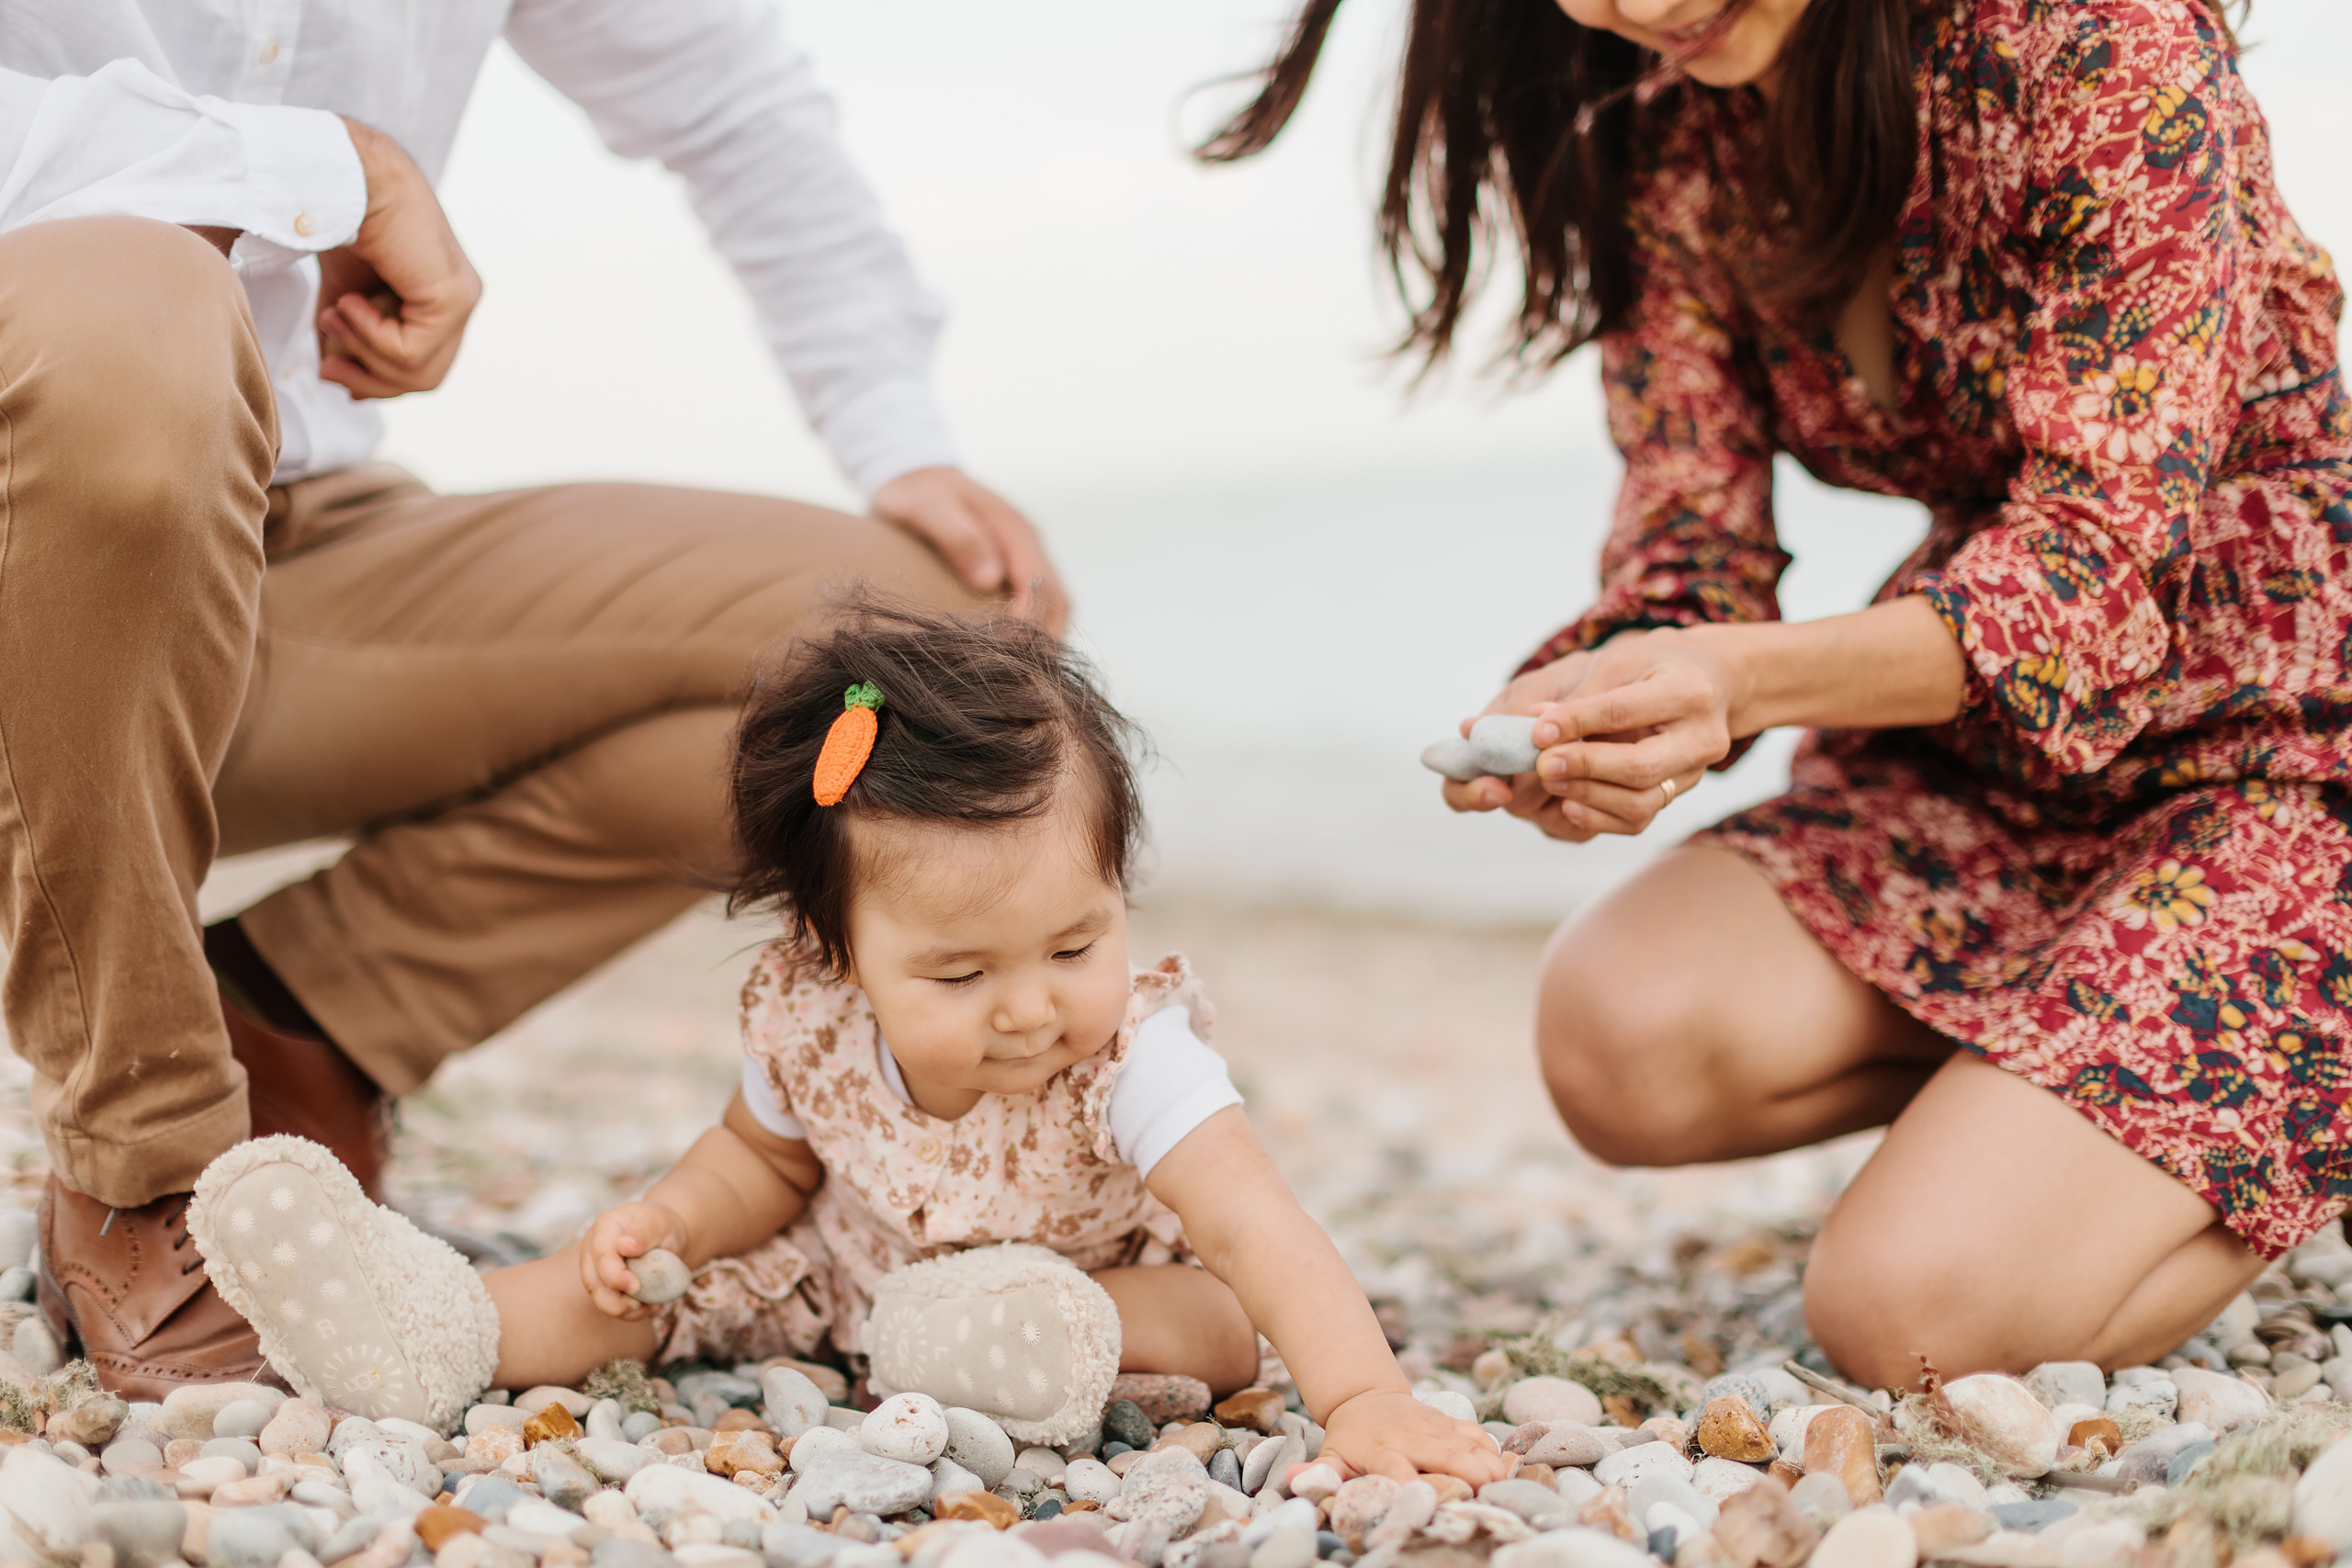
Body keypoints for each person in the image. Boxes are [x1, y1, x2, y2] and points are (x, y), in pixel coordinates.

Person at [1205, 0, 2351, 1386]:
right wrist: (1591, 711)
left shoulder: (2097, 37)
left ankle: (2228, 1091)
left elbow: (2094, 569)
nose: (1629, 4)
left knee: (1911, 1320)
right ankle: (2097, 1101)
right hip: (1993, 755)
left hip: (2294, 750)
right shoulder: (1680, 140)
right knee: (1619, 1031)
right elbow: (1691, 548)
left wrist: (1731, 683)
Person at [1, 1, 1067, 1396]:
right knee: (135, 302)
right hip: (40, 523)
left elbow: (735, 103)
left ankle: (301, 1023)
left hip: (293, 537)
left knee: (920, 667)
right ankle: (144, 1158)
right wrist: (323, 165)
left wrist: (898, 434)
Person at [185, 598, 1510, 1484]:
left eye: (1073, 945)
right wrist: (674, 1224)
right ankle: (425, 1324)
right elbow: (758, 1164)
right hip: (849, 1285)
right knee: (639, 1300)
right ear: (836, 953)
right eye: (958, 969)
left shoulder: (1135, 1057)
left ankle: (1014, 1342)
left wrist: (1360, 1403)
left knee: (1211, 1322)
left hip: (1111, 1284)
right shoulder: (809, 1018)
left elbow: (1256, 1229)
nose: (1030, 1005)